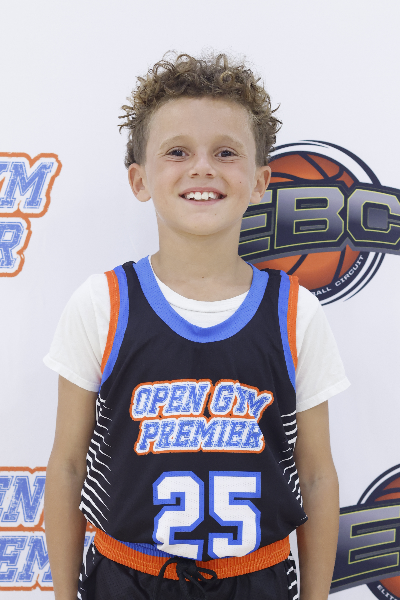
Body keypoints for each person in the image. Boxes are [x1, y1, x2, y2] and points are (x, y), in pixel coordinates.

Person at [44, 52, 349, 600]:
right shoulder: (102, 304)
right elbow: (67, 466)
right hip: (126, 580)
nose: (203, 168)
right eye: (177, 151)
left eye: (226, 152)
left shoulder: (295, 313)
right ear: (139, 179)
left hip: (256, 580)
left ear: (260, 181)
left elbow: (317, 476)